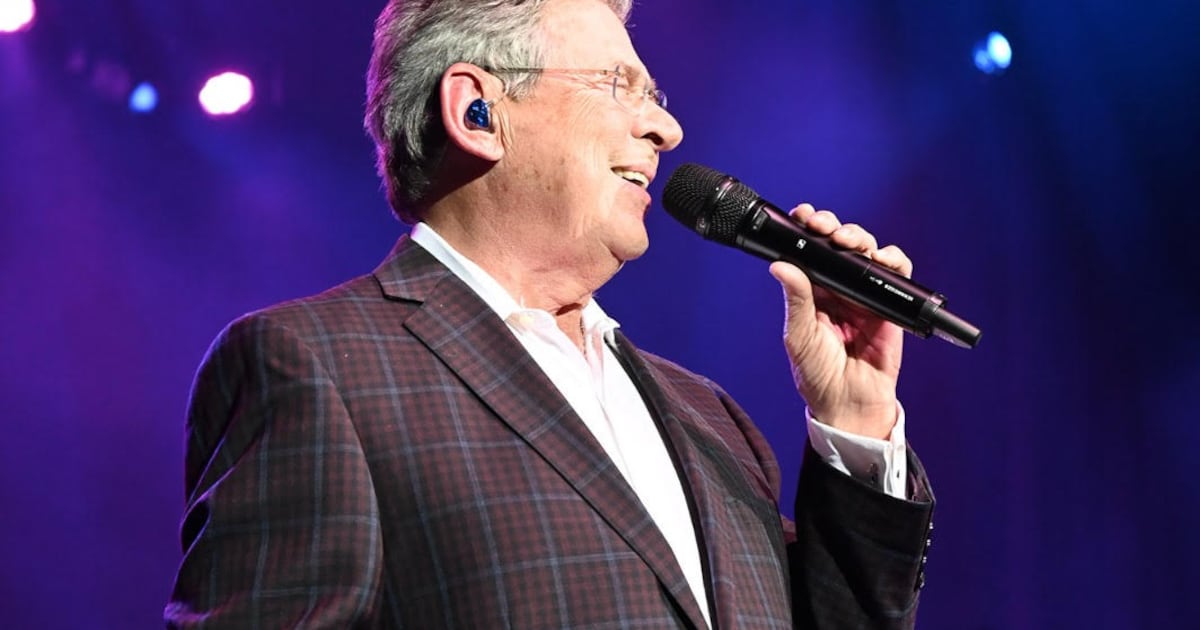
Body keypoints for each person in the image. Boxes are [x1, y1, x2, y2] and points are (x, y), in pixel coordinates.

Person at [165, 0, 935, 627]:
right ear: (477, 112)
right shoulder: (317, 367)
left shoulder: (710, 417)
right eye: (618, 86)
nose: (666, 129)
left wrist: (855, 420)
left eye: (656, 98)